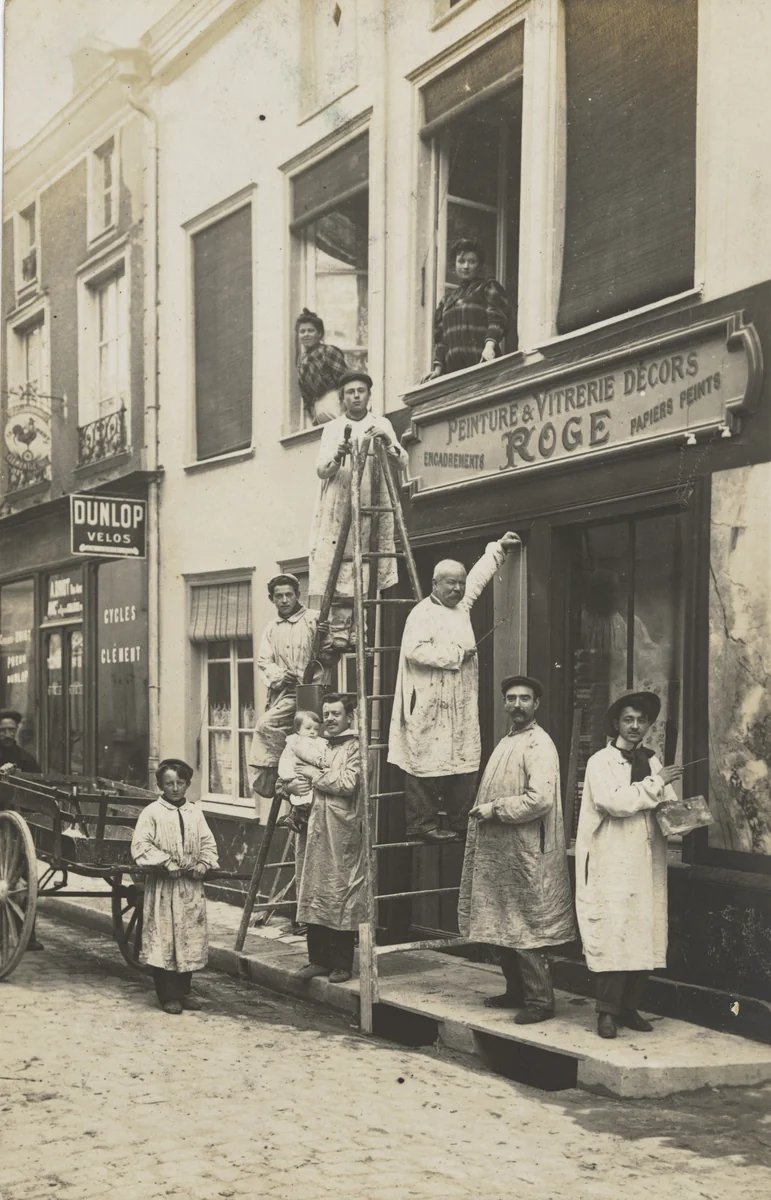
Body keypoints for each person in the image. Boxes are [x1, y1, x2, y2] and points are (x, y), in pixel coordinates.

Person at [388, 532, 522, 843]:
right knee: (424, 760)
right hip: (428, 701)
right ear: (435, 584)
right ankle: (423, 824)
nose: (458, 589)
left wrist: (498, 549)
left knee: (464, 758)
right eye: (451, 583)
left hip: (459, 700)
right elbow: (414, 651)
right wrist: (457, 655)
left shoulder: (461, 607)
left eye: (460, 583)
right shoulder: (421, 613)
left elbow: (477, 579)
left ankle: (462, 821)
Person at [458, 677, 576, 1024]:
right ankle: (516, 992)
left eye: (525, 699)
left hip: (527, 853)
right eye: (511, 699)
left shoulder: (539, 744)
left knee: (526, 927)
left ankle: (540, 1001)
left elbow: (540, 800)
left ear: (536, 704)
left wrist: (495, 809)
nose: (517, 705)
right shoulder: (508, 740)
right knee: (503, 924)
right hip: (502, 853)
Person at [575, 691, 682, 1039]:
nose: (635, 726)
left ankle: (630, 1007)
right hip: (612, 858)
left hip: (646, 861)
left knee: (643, 930)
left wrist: (683, 817)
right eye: (628, 720)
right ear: (616, 724)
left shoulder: (651, 762)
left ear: (649, 725)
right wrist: (658, 782)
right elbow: (614, 802)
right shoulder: (600, 762)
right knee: (615, 930)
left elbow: (665, 804)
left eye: (641, 720)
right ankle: (606, 1012)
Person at [308, 372, 408, 644]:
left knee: (366, 561)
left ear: (368, 395)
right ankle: (340, 629)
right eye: (350, 392)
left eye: (361, 391)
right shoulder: (333, 428)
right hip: (342, 501)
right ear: (343, 398)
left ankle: (360, 630)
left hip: (373, 502)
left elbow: (402, 461)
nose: (356, 396)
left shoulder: (381, 423)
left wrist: (387, 440)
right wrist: (337, 455)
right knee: (340, 560)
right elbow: (321, 469)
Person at [131, 758, 220, 1015]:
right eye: (169, 783)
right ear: (160, 785)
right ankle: (168, 995)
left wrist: (204, 862)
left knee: (188, 937)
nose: (175, 788)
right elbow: (141, 845)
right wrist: (165, 862)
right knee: (164, 938)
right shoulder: (152, 813)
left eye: (180, 783)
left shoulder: (195, 812)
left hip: (190, 887)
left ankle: (184, 991)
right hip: (163, 886)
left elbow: (208, 843)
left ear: (188, 784)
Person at [293, 694, 365, 984]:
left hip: (341, 830)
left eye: (336, 713)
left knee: (340, 894)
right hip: (315, 829)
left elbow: (348, 783)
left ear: (349, 716)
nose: (330, 719)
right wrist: (290, 786)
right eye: (326, 714)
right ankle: (318, 960)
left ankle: (342, 964)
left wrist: (314, 775)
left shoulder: (356, 747)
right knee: (314, 891)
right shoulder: (320, 745)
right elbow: (293, 772)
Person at [248, 574, 335, 799]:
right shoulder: (272, 628)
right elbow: (264, 662)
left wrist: (325, 637)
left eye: (289, 594)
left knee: (309, 741)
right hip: (288, 693)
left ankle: (301, 783)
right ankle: (277, 777)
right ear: (272, 599)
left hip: (315, 693)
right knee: (266, 725)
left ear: (297, 595)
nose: (284, 600)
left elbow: (331, 655)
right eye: (279, 596)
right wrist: (280, 675)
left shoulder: (314, 619)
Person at [424, 238, 508, 380]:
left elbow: (497, 319)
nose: (466, 266)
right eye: (461, 261)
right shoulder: (447, 301)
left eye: (472, 261)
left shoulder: (486, 288)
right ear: (454, 264)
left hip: (483, 365)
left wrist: (489, 346)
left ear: (479, 265)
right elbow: (441, 338)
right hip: (454, 374)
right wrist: (438, 368)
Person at [0, 708, 44, 951]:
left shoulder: (25, 758)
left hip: (18, 830)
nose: (8, 734)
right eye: (3, 730)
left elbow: (38, 789)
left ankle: (26, 935)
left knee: (28, 881)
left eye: (11, 730)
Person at [276, 709, 329, 835]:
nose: (312, 732)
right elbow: (306, 755)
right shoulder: (298, 742)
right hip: (299, 772)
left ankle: (294, 815)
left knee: (306, 794)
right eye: (308, 728)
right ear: (298, 730)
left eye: (316, 729)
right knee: (304, 792)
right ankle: (295, 816)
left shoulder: (316, 741)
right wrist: (320, 762)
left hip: (309, 774)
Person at [295, 308, 348, 426]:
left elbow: (345, 381)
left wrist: (344, 405)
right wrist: (311, 411)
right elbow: (305, 393)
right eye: (302, 331)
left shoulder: (328, 351)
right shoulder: (301, 360)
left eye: (310, 331)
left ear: (319, 333)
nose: (306, 334)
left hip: (334, 401)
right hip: (317, 408)